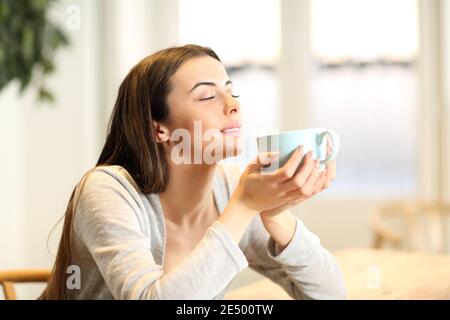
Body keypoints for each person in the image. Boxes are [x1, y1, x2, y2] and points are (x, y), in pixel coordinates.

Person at [39, 44, 346, 300]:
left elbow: (332, 295)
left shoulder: (229, 187)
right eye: (207, 96)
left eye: (230, 91)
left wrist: (277, 216)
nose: (233, 105)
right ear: (158, 128)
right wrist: (244, 207)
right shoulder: (107, 190)